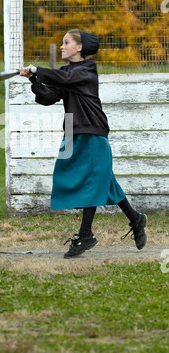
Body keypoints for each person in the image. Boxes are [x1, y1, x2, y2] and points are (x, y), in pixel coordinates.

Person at [19, 29, 147, 258]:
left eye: (66, 42)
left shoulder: (87, 69)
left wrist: (38, 70)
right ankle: (136, 219)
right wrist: (34, 80)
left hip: (92, 131)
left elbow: (66, 80)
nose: (61, 46)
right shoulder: (63, 72)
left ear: (79, 47)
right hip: (72, 131)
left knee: (92, 180)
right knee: (101, 180)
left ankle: (85, 234)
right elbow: (48, 97)